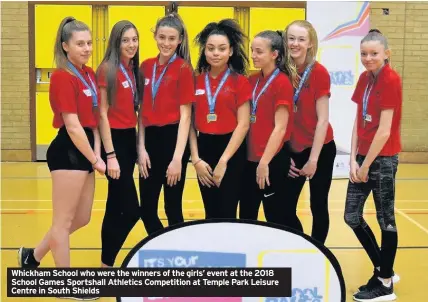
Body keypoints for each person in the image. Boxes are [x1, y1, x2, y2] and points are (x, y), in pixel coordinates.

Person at [18, 16, 105, 300]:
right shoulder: (61, 77)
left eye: (89, 43)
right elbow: (72, 125)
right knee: (63, 222)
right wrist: (95, 159)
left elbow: (92, 120)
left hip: (87, 148)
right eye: (80, 44)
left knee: (81, 218)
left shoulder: (89, 73)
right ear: (65, 46)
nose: (87, 48)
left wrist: (100, 152)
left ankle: (32, 257)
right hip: (69, 150)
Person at [344, 29, 401, 302]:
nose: (368, 58)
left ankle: (386, 283)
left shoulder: (391, 80)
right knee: (351, 217)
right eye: (364, 54)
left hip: (383, 160)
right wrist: (353, 158)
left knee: (385, 220)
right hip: (362, 159)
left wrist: (366, 165)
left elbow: (384, 131)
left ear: (386, 54)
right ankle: (383, 269)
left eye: (374, 53)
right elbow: (358, 121)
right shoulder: (364, 79)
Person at [189, 19, 251, 219]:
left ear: (231, 51)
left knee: (227, 212)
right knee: (210, 212)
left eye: (222, 48)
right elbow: (189, 124)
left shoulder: (240, 82)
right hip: (204, 147)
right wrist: (196, 159)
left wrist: (224, 160)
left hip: (231, 151)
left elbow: (243, 124)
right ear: (204, 51)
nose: (216, 53)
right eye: (210, 48)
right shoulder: (195, 80)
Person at [138, 13, 193, 235]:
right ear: (155, 36)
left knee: (172, 207)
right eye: (162, 37)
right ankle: (161, 244)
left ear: (179, 40)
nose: (166, 43)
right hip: (149, 140)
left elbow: (186, 116)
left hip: (174, 141)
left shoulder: (183, 69)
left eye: (172, 39)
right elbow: (141, 111)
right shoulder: (145, 66)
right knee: (147, 209)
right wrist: (140, 148)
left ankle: (177, 252)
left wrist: (178, 159)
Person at [282, 20, 337, 244]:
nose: (295, 43)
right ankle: (302, 244)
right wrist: (285, 154)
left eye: (301, 39)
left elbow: (323, 120)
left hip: (320, 148)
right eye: (291, 38)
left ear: (310, 44)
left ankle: (318, 252)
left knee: (318, 205)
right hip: (292, 150)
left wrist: (313, 160)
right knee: (284, 207)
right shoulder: (281, 71)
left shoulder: (319, 73)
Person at [96, 20, 141, 268]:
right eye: (125, 40)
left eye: (134, 39)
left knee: (115, 205)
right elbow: (102, 114)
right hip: (113, 142)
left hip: (128, 140)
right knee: (132, 209)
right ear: (116, 42)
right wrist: (110, 155)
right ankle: (108, 262)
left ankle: (105, 265)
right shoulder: (107, 69)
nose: (131, 45)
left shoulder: (132, 68)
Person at [239, 30, 293, 225]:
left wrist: (264, 163)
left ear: (274, 54)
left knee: (275, 217)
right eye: (252, 51)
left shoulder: (282, 83)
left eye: (259, 51)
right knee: (246, 216)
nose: (253, 55)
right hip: (249, 160)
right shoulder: (252, 80)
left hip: (271, 161)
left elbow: (280, 128)